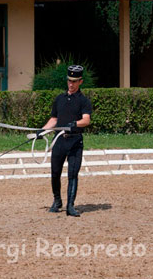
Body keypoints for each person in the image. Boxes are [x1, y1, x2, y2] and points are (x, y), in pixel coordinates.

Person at [37, 65, 92, 217]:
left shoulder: (84, 101)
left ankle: (70, 206)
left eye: (74, 81)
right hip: (59, 141)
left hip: (74, 142)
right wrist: (42, 131)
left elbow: (86, 120)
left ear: (80, 81)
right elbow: (54, 119)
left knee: (72, 174)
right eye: (69, 81)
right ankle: (57, 201)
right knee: (55, 173)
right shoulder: (59, 99)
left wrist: (75, 124)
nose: (71, 84)